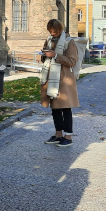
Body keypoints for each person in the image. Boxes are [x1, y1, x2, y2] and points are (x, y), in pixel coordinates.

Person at [40, 19, 79, 147]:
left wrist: (55, 56)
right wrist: (44, 55)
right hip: (51, 78)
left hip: (64, 79)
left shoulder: (69, 42)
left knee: (65, 108)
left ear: (60, 29)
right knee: (55, 108)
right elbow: (45, 57)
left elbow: (72, 61)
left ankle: (68, 136)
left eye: (54, 31)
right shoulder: (49, 39)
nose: (52, 33)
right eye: (50, 31)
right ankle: (58, 134)